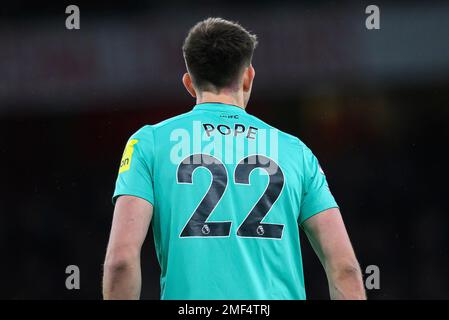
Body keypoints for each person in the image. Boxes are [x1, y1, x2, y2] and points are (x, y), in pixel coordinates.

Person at [103, 17, 366, 300]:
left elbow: (121, 262)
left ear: (189, 84)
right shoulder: (295, 151)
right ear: (248, 76)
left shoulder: (149, 143)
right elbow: (345, 268)